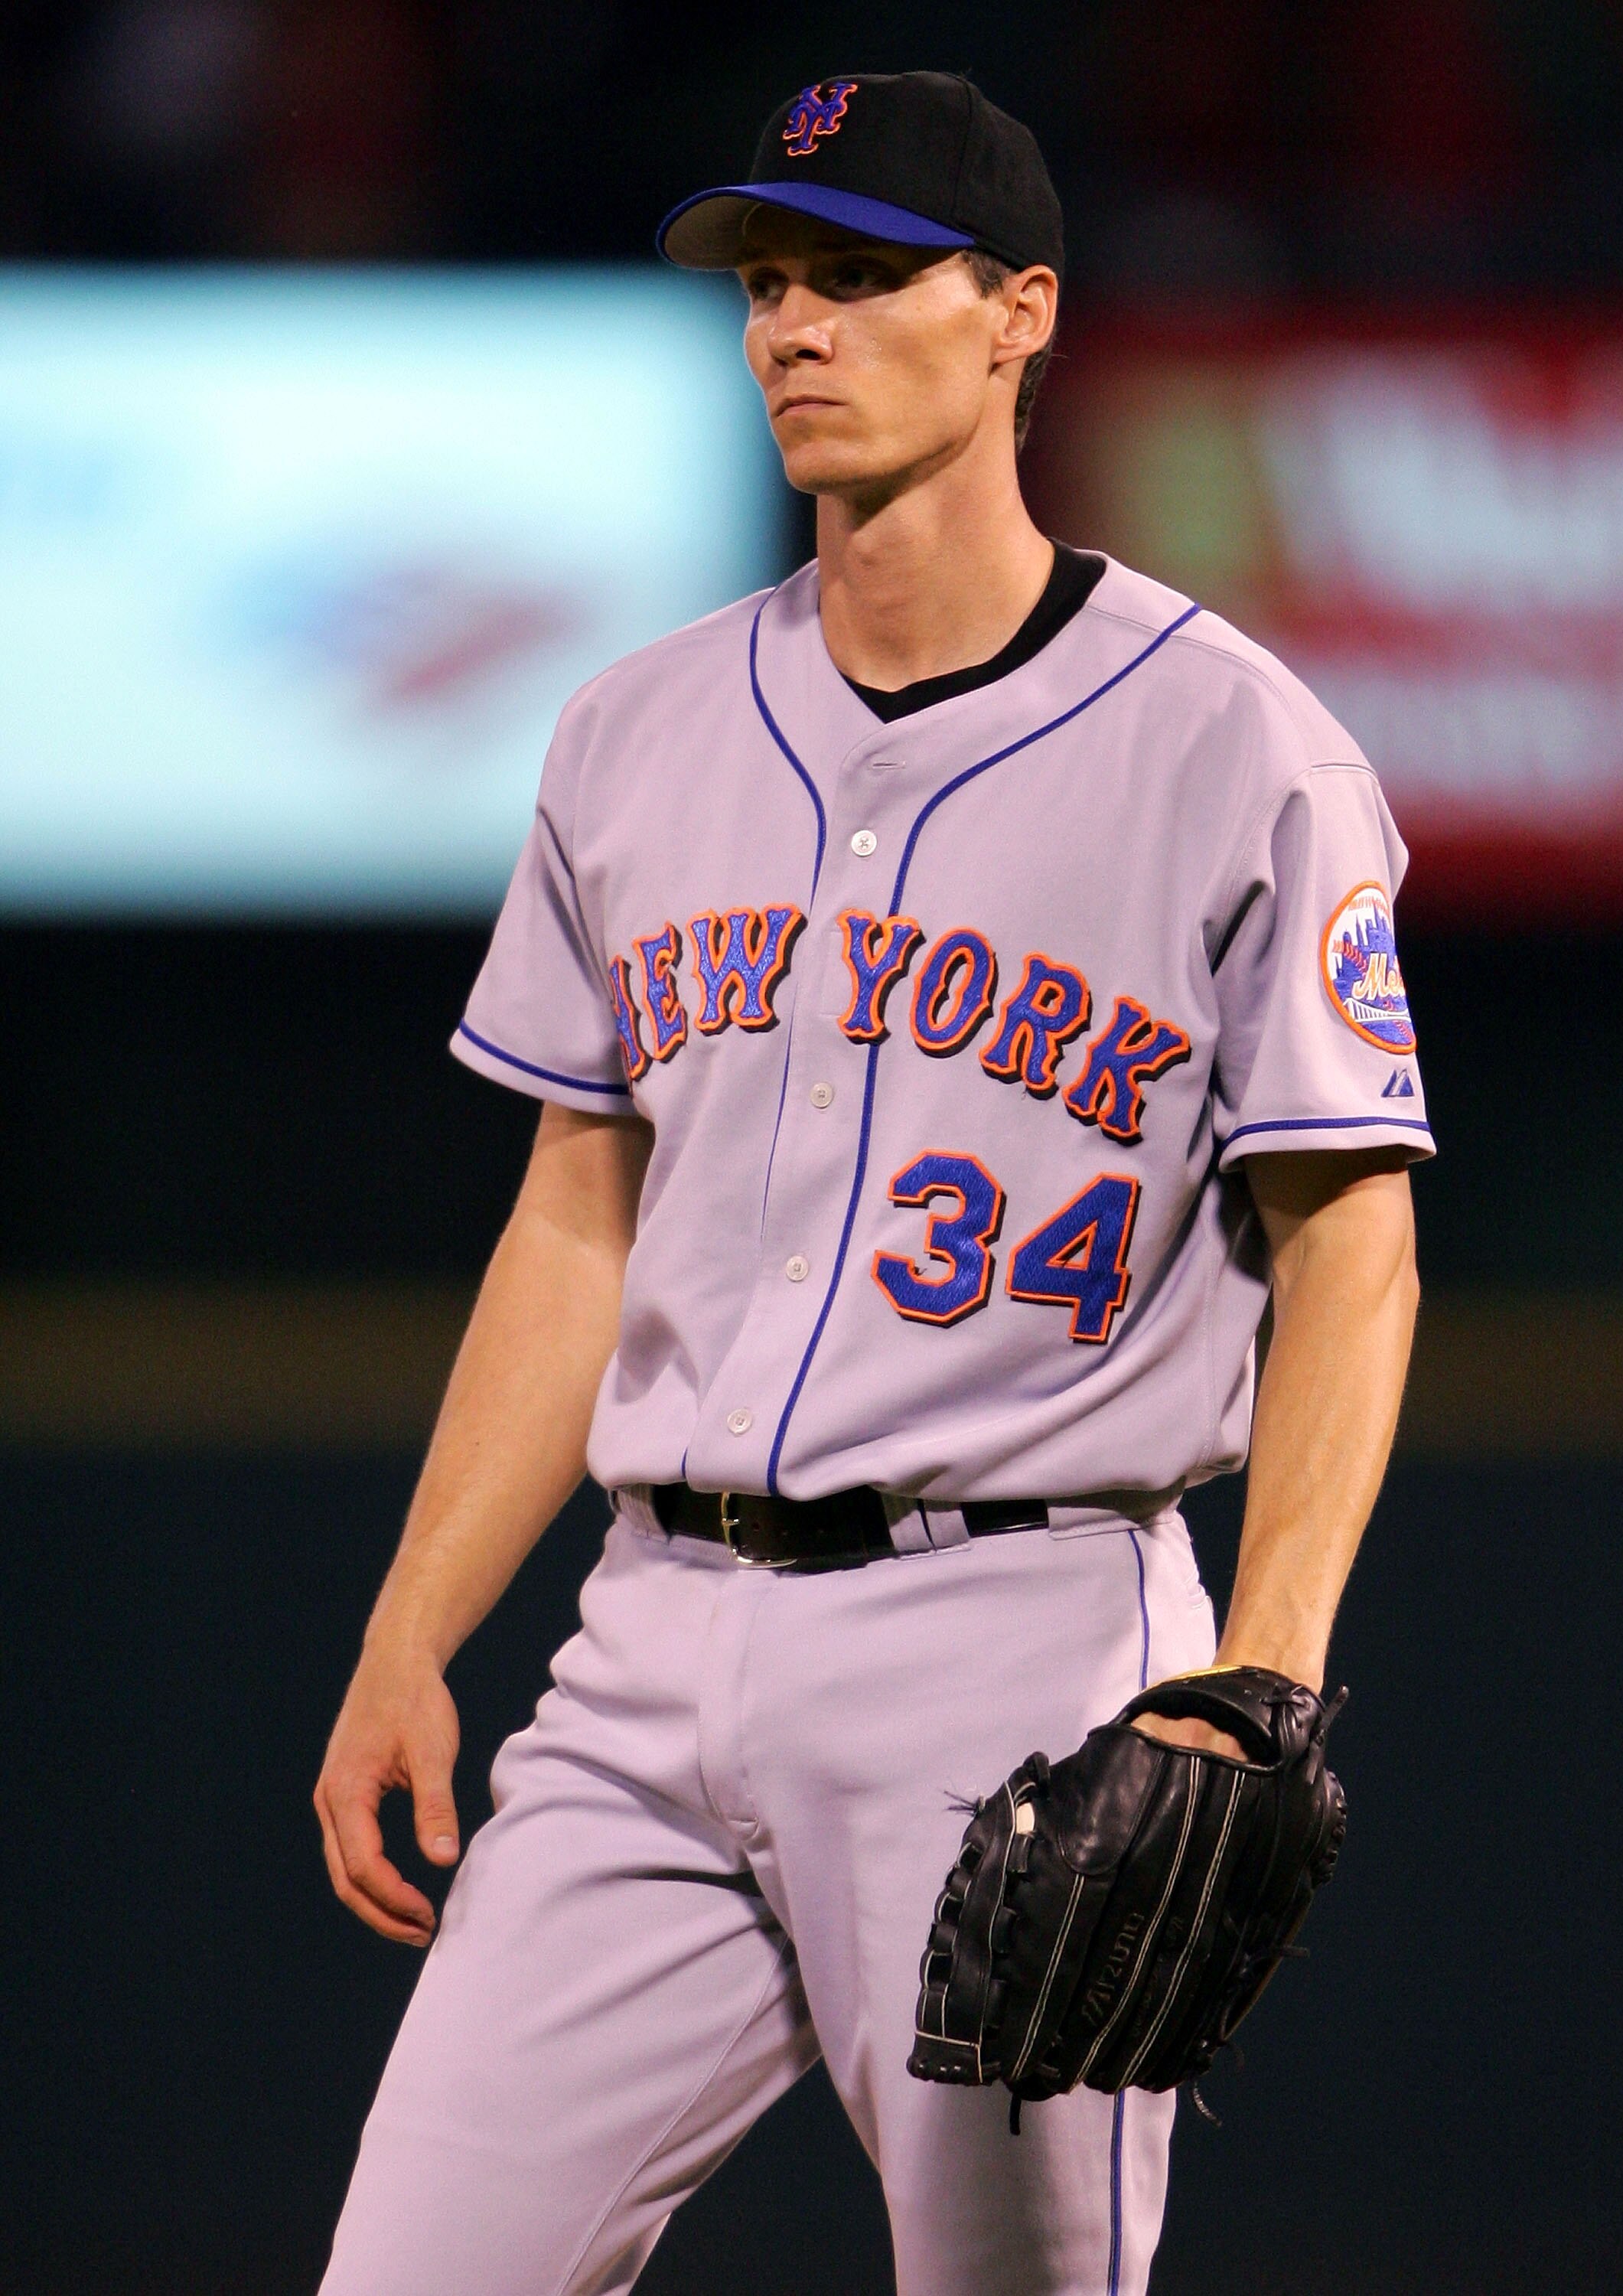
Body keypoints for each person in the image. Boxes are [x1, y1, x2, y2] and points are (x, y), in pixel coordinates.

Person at [313, 70, 1428, 2296]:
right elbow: (575, 1210)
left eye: (858, 276)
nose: (791, 328)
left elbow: (1353, 1245)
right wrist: (412, 1624)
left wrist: (1259, 1677)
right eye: (766, 281)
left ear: (1018, 314)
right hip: (648, 1651)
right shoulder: (634, 727)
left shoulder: (1234, 745)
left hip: (1008, 1647)